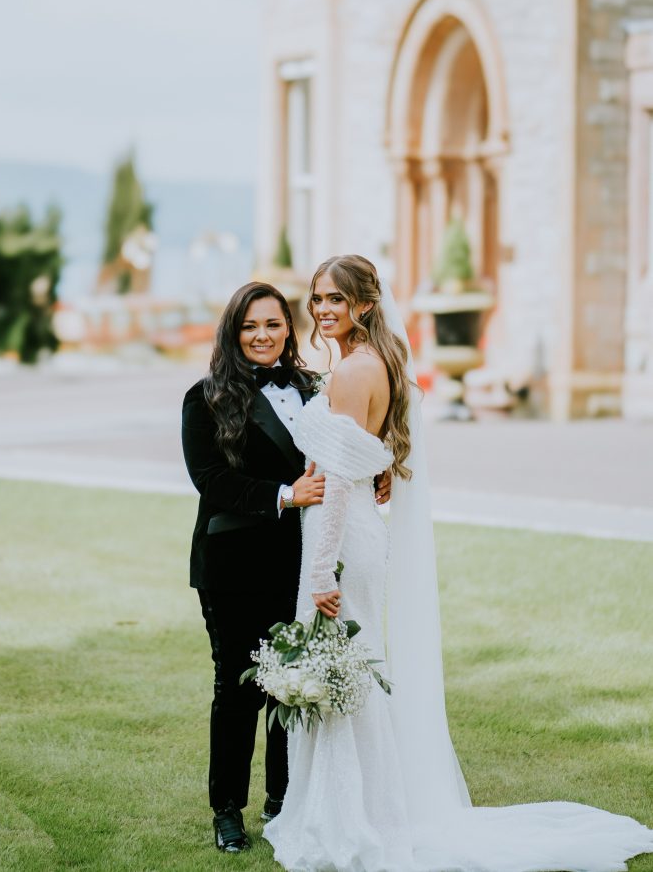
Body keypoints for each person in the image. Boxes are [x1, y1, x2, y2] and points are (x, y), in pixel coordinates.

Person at [264, 254, 653, 872]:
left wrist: (317, 571)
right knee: (353, 665)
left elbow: (337, 482)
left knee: (345, 668)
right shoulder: (376, 362)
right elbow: (368, 453)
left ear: (363, 305)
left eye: (335, 299)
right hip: (358, 532)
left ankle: (353, 820)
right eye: (316, 299)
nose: (322, 310)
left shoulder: (348, 374)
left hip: (340, 537)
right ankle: (356, 806)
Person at [181, 280, 391, 855]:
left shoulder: (314, 387)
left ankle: (284, 802)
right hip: (232, 562)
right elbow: (211, 481)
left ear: (287, 329)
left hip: (300, 564)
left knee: (292, 687)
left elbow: (346, 449)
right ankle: (227, 809)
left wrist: (378, 468)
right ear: (233, 332)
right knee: (236, 690)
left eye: (272, 325)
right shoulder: (204, 398)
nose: (261, 336)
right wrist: (283, 494)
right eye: (250, 326)